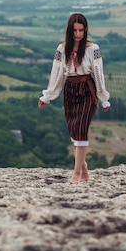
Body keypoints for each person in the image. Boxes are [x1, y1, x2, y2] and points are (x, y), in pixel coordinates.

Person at [38, 13, 111, 183]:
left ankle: (76, 174)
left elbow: (99, 74)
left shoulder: (93, 49)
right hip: (70, 90)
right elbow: (56, 74)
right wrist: (47, 96)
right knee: (74, 130)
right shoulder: (62, 49)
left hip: (87, 90)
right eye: (74, 30)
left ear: (85, 30)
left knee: (81, 131)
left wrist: (103, 98)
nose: (78, 34)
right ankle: (84, 170)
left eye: (81, 30)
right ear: (69, 31)